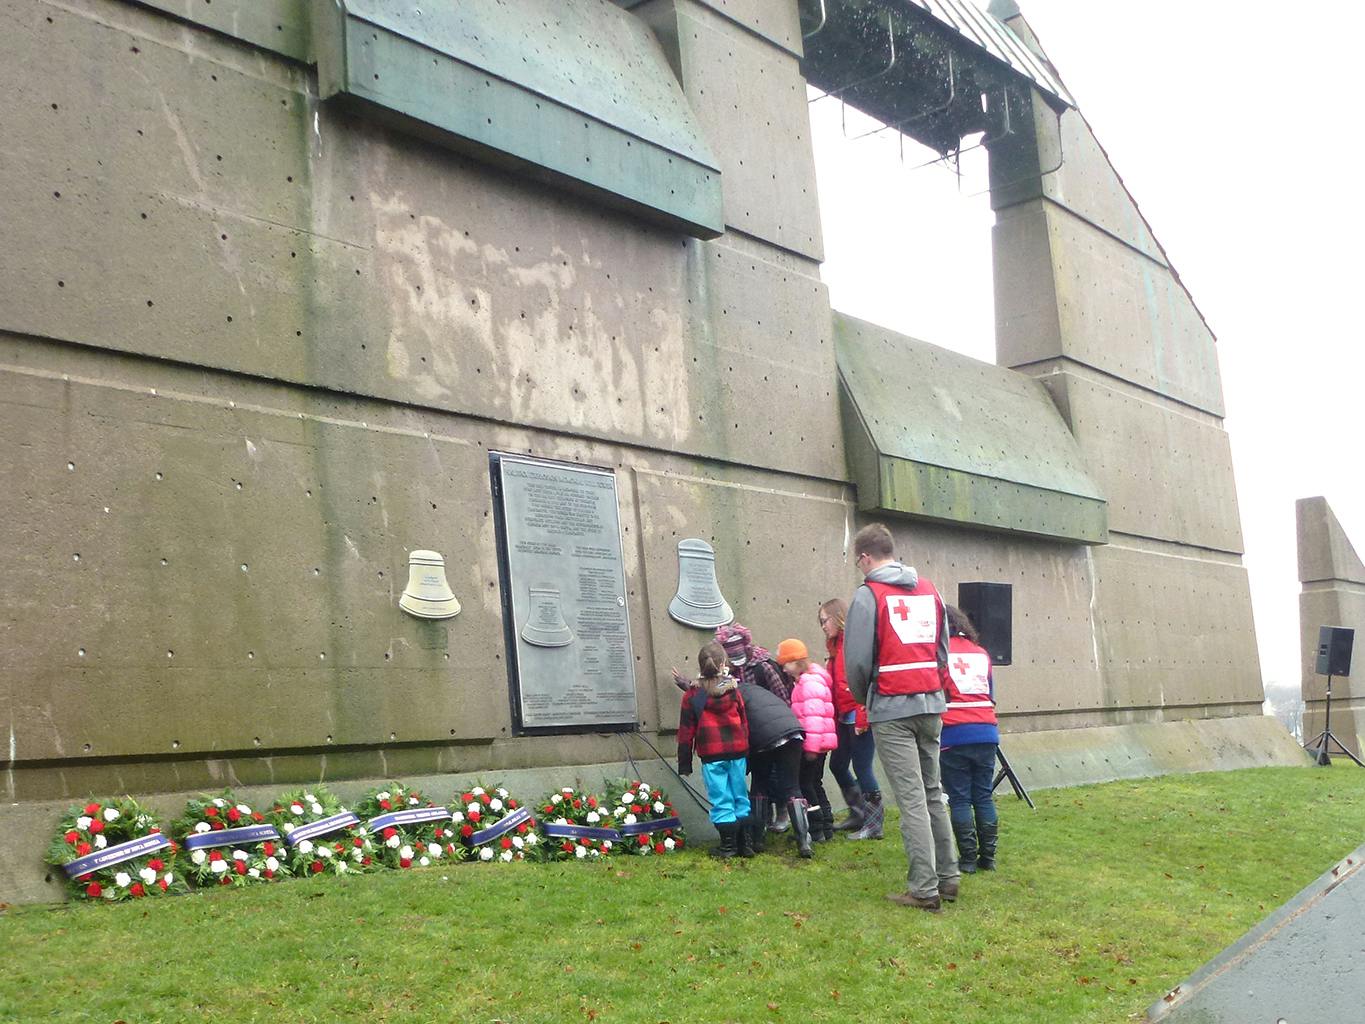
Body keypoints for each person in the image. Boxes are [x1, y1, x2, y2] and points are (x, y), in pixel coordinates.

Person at [844, 522, 960, 912]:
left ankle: (924, 889)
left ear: (865, 557)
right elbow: (943, 650)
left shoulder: (868, 595)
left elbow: (857, 662)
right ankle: (948, 877)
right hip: (931, 705)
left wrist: (867, 700)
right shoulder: (930, 590)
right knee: (932, 794)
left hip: (892, 709)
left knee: (911, 800)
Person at [676, 642, 751, 859]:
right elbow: (744, 722)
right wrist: (747, 750)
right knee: (740, 796)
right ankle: (745, 845)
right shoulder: (734, 689)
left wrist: (684, 763)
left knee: (721, 799)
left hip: (712, 755)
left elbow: (685, 732)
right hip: (737, 752)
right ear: (723, 664)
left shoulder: (692, 695)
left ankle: (728, 847)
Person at [940, 605, 1000, 873]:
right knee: (984, 796)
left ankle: (967, 860)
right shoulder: (982, 654)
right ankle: (988, 858)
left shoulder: (940, 653)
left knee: (960, 798)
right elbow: (990, 694)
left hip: (954, 733)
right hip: (986, 731)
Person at [819, 598, 882, 839]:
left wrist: (863, 718)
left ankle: (874, 824)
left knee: (862, 767)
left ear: (837, 617)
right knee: (837, 764)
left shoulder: (853, 644)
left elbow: (863, 681)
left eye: (825, 620)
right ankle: (858, 814)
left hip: (858, 714)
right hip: (844, 715)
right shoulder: (834, 648)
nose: (823, 626)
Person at [736, 673, 809, 857]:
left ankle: (758, 838)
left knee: (760, 784)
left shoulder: (735, 695)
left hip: (765, 737)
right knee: (792, 787)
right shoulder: (757, 691)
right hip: (793, 731)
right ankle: (803, 841)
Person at [776, 639, 838, 846]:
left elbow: (813, 718)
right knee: (814, 783)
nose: (783, 669)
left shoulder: (809, 683)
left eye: (785, 663)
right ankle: (827, 825)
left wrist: (810, 748)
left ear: (795, 662)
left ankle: (816, 827)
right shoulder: (810, 680)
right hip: (820, 741)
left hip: (813, 743)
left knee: (805, 784)